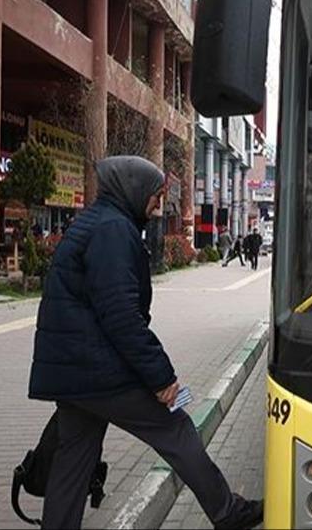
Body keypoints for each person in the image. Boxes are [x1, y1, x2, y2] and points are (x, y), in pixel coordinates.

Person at [28, 156, 261, 530]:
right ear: (133, 189)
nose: (158, 204)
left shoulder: (95, 222)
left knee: (73, 462)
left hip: (73, 374)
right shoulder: (112, 230)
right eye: (155, 195)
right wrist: (161, 378)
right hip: (99, 371)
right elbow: (121, 315)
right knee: (177, 427)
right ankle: (227, 512)